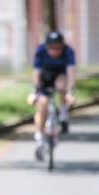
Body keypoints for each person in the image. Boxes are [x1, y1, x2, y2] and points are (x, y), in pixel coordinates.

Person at [27, 31, 77, 160]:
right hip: (45, 78)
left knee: (61, 85)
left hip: (60, 77)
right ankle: (39, 136)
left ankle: (63, 114)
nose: (55, 51)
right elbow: (36, 74)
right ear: (47, 46)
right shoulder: (40, 51)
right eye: (51, 48)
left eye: (58, 48)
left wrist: (70, 93)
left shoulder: (68, 51)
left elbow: (71, 74)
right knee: (42, 104)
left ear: (62, 46)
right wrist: (34, 92)